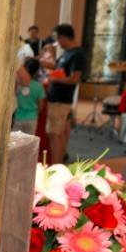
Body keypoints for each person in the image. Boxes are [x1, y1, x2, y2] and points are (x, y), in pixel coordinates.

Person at [45, 23, 84, 164]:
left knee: (55, 134)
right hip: (57, 99)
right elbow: (58, 68)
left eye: (58, 39)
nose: (58, 43)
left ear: (63, 37)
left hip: (60, 100)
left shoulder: (77, 54)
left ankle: (55, 167)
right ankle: (58, 164)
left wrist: (55, 79)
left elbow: (74, 79)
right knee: (59, 134)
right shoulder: (67, 53)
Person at [14, 57, 45, 135]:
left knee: (16, 140)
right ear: (37, 71)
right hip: (32, 117)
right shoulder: (39, 86)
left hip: (18, 117)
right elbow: (41, 105)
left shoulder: (18, 84)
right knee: (29, 140)